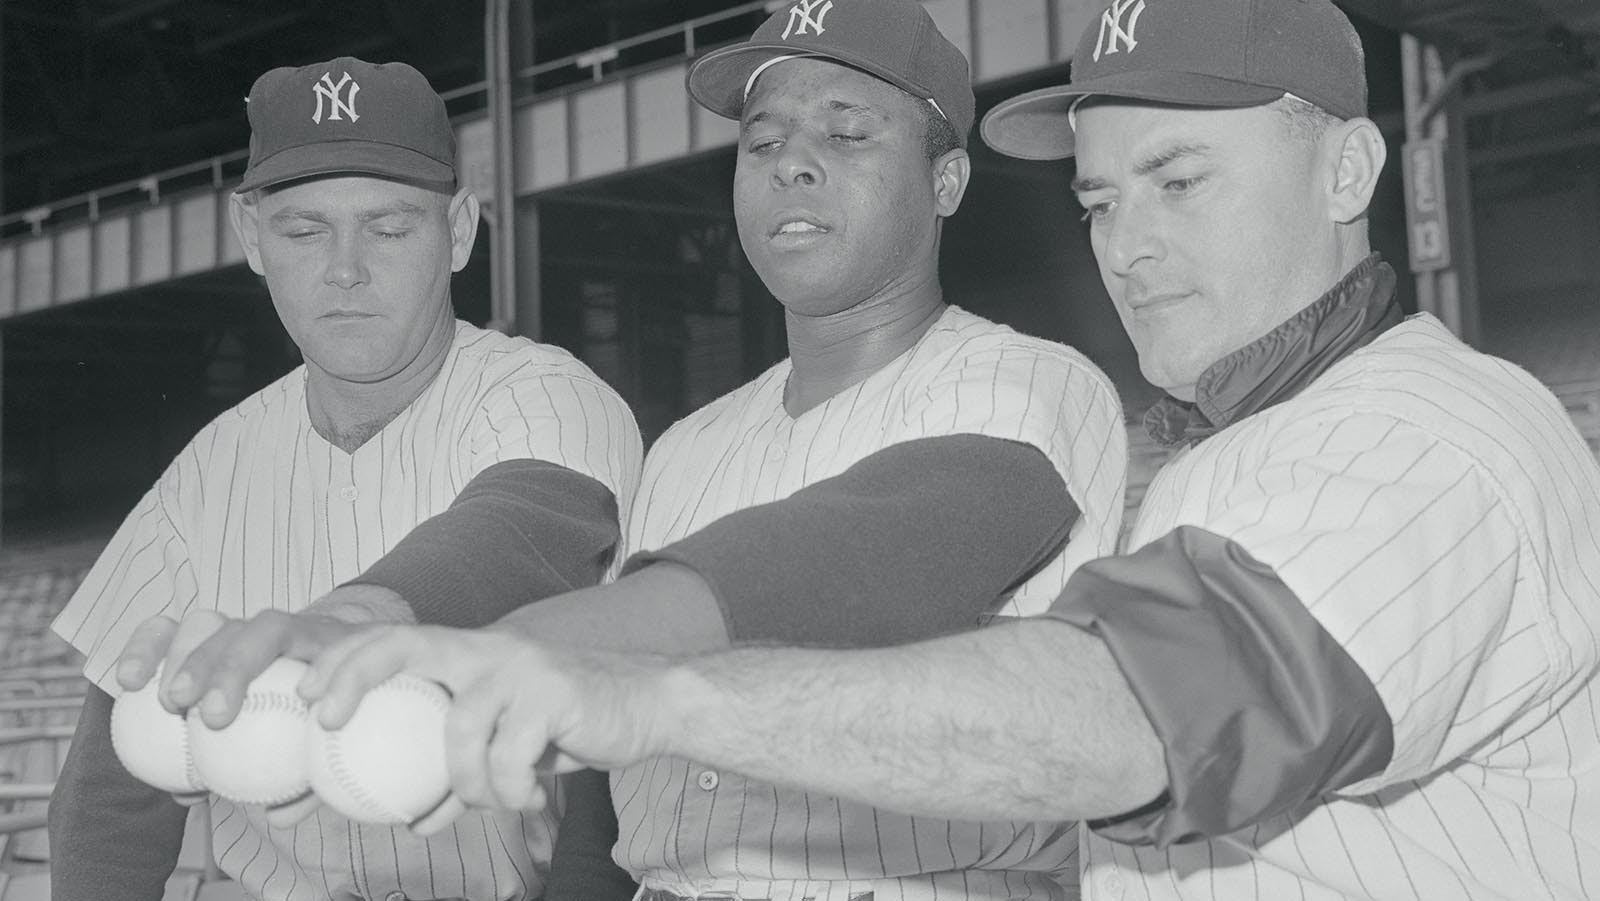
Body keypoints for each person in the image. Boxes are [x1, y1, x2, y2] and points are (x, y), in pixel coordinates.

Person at [305, 1, 1600, 898]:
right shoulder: (1222, 452)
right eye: (1102, 196)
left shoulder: (1424, 437)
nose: (1127, 240)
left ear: (1349, 170)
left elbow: (1132, 712)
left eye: (1182, 178)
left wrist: (650, 687)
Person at [293, 2, 1128, 898]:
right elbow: (606, 800)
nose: (794, 163)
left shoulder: (1029, 384)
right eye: (762, 143)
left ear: (947, 181)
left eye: (847, 135)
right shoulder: (690, 448)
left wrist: (544, 639)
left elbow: (873, 547)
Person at [47, 57, 644, 901]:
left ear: (461, 231)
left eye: (391, 227)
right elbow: (109, 797)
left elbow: (528, 528)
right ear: (251, 238)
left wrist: (347, 623)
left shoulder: (547, 393)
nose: (345, 268)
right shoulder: (204, 475)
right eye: (302, 230)